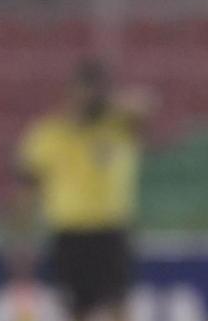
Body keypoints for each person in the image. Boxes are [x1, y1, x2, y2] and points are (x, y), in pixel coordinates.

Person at [15, 58, 148, 321]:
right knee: (76, 310)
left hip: (110, 230)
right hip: (69, 233)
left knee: (118, 305)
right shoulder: (48, 133)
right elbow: (28, 192)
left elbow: (144, 105)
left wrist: (106, 101)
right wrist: (22, 237)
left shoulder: (118, 127)